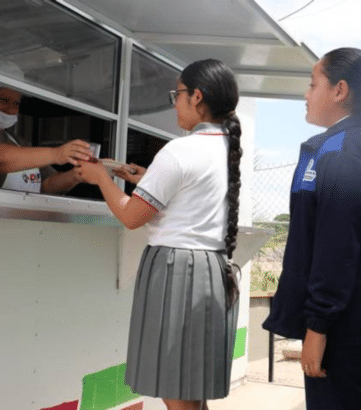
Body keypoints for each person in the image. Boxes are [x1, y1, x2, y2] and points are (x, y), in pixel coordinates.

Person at [75, 58, 242, 410]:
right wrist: (147, 178)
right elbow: (191, 196)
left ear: (196, 97)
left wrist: (101, 178)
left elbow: (131, 216)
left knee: (174, 385)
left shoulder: (180, 150)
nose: (175, 103)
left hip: (176, 270)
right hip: (213, 269)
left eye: (177, 94)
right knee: (190, 384)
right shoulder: (228, 149)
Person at [262, 47, 361, 409]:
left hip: (341, 328)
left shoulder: (342, 151)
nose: (305, 95)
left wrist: (318, 327)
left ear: (340, 90)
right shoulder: (343, 145)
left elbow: (337, 247)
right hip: (348, 324)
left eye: (312, 84)